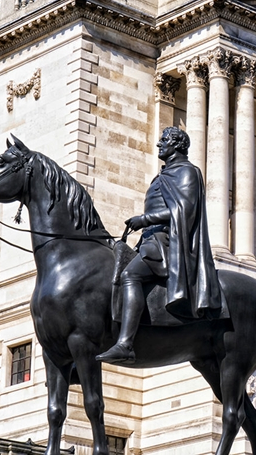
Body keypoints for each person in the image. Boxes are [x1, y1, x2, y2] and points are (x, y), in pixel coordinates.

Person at [96, 127, 224, 364]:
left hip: (169, 242)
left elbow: (184, 210)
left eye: (164, 140)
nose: (158, 144)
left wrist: (144, 219)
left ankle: (125, 344)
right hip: (149, 240)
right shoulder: (165, 175)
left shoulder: (187, 172)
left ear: (177, 145)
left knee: (130, 275)